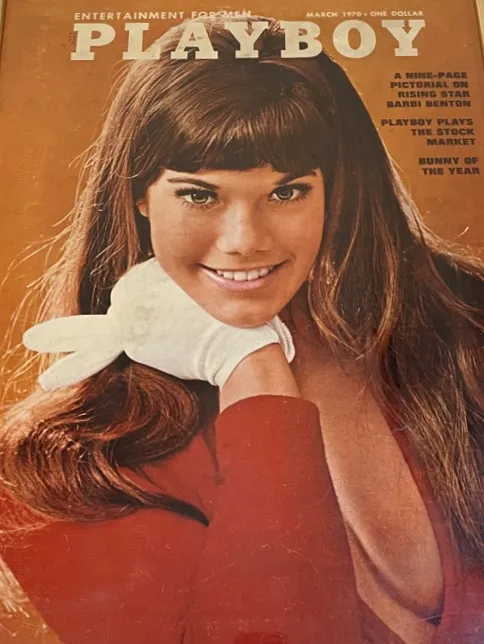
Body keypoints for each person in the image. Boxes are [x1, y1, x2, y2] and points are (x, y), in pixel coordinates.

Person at [1, 14, 484, 644]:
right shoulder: (57, 469)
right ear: (138, 196)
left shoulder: (468, 334)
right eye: (199, 195)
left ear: (337, 191)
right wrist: (250, 365)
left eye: (287, 193)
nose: (244, 241)